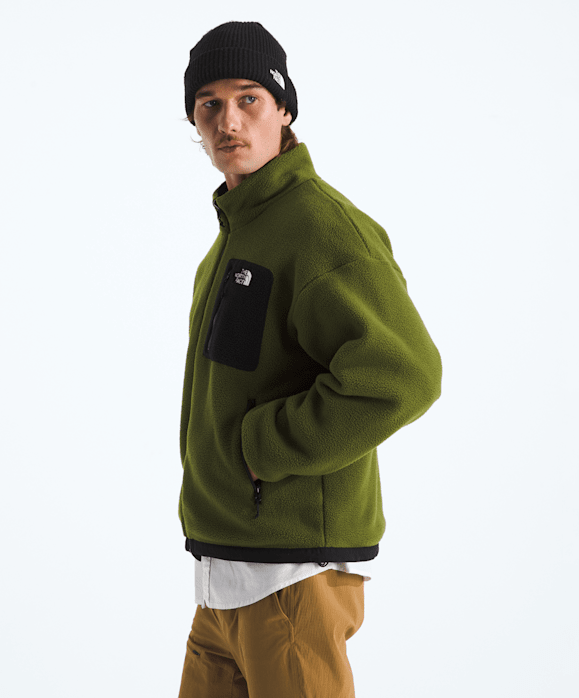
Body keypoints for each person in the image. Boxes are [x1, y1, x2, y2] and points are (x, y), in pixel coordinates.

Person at [177, 21, 442, 698]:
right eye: (209, 104)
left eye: (249, 99)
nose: (228, 121)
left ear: (285, 109)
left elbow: (405, 374)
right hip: (222, 573)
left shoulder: (320, 228)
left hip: (289, 579)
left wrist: (262, 447)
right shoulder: (234, 239)